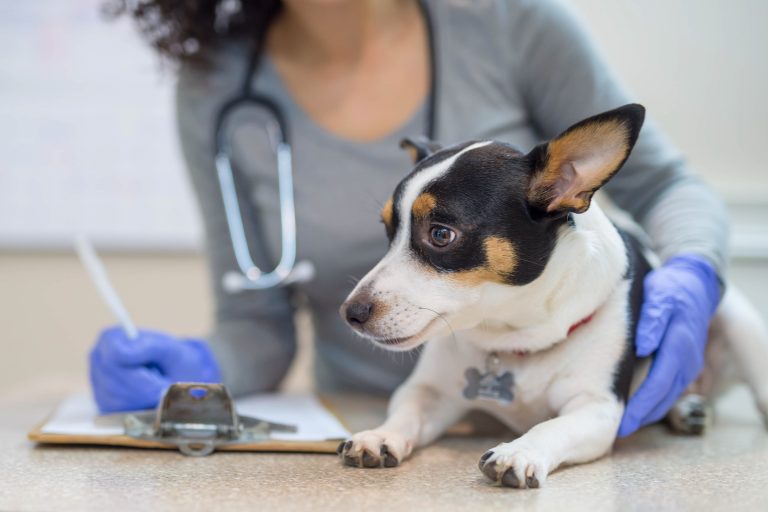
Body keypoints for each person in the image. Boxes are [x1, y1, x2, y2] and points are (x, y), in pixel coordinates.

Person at [90, 0, 726, 437]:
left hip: (559, 408)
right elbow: (256, 322)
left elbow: (666, 186)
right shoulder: (216, 83)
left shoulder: (508, 21)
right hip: (376, 426)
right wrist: (196, 371)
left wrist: (694, 271)